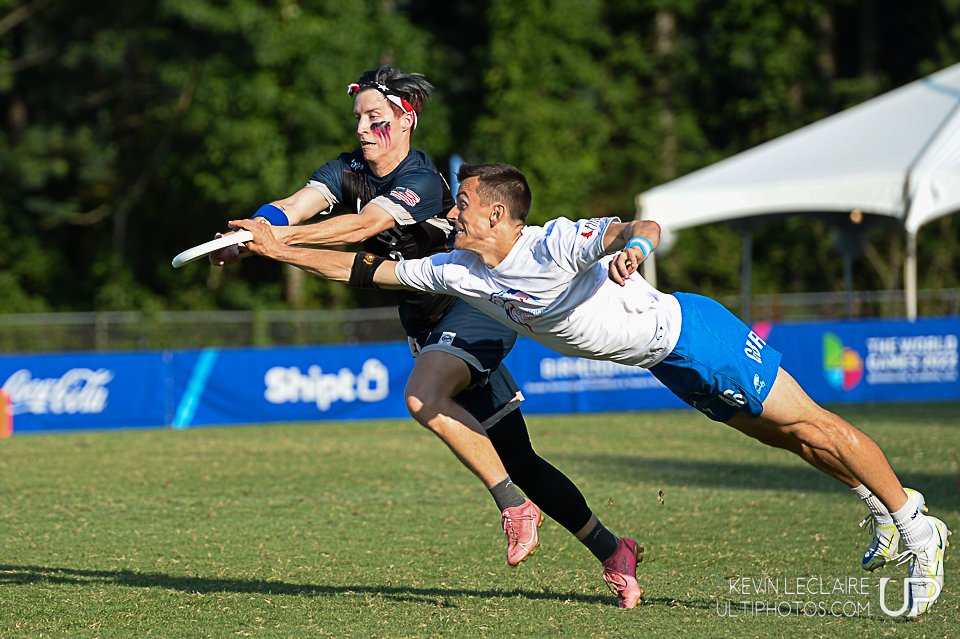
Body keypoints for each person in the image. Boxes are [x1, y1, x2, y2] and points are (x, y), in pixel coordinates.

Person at [231, 162, 951, 618]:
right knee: (786, 438)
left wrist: (636, 248)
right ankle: (876, 506)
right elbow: (364, 272)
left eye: (467, 202)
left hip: (698, 334)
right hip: (667, 362)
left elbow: (641, 225)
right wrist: (279, 247)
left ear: (498, 217)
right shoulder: (461, 271)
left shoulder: (552, 242)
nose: (454, 211)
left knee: (817, 427)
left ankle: (921, 529)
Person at [213, 70, 643, 608]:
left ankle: (512, 505)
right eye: (360, 120)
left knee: (423, 396)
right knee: (520, 457)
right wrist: (250, 231)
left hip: (473, 307)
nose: (366, 130)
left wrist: (274, 241)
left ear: (406, 120)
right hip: (426, 326)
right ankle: (612, 550)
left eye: (378, 120)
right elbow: (293, 206)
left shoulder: (420, 179)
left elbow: (359, 229)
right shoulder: (346, 168)